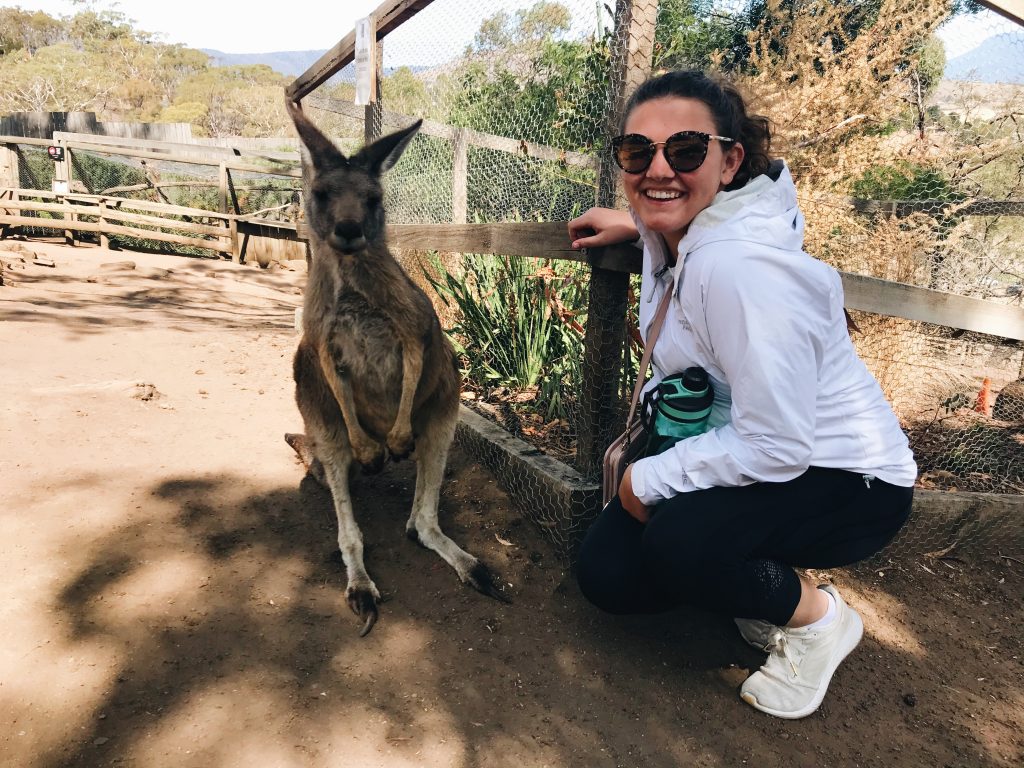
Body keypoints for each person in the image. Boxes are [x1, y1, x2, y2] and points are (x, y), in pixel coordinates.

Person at [568, 70, 916, 720]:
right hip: (770, 448)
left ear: (729, 161)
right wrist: (637, 225)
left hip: (849, 480)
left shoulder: (737, 269)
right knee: (609, 575)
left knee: (678, 544)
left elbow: (778, 443)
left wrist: (648, 479)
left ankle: (815, 619)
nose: (659, 169)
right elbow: (679, 228)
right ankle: (755, 583)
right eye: (637, 153)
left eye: (687, 150)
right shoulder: (694, 235)